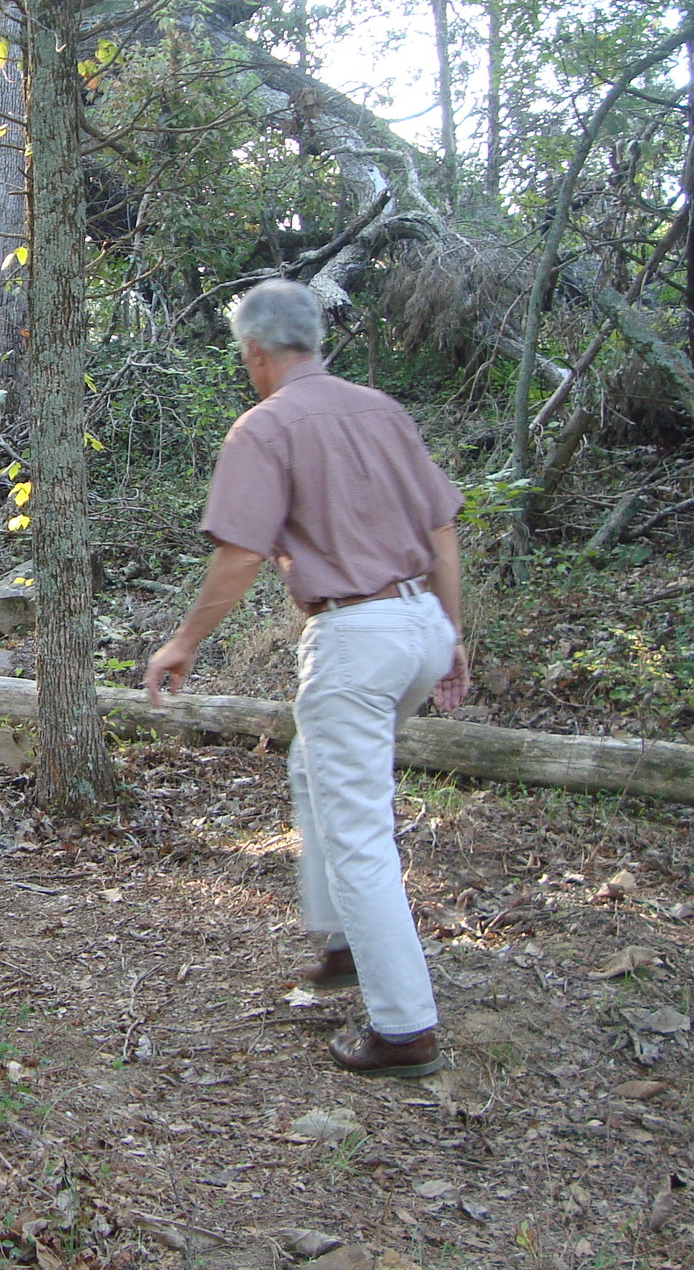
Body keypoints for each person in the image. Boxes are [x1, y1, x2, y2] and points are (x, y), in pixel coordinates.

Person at [144, 280, 470, 1079]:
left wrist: (184, 641)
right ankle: (341, 942)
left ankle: (404, 1029)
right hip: (417, 623)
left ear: (255, 351)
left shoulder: (267, 426)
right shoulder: (381, 409)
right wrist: (452, 636)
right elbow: (442, 530)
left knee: (358, 831)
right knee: (312, 767)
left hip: (358, 636)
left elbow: (243, 553)